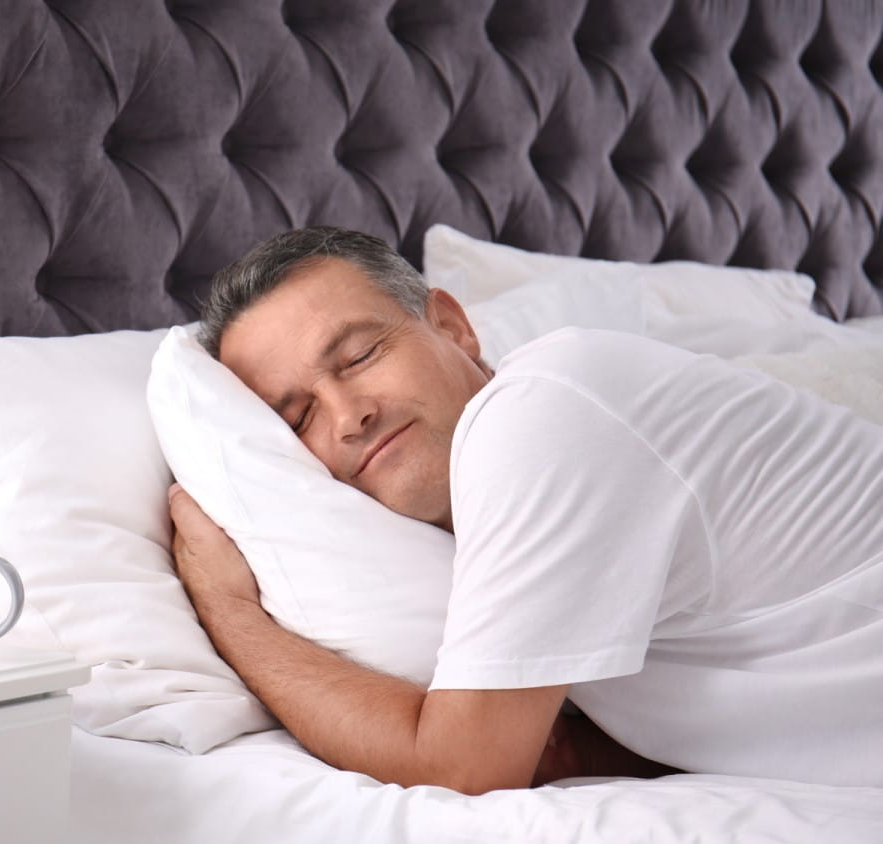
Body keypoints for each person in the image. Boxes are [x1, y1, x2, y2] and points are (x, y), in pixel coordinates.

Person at [169, 226, 883, 794]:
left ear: (452, 327)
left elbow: (463, 768)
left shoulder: (542, 410)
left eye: (358, 357)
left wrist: (229, 611)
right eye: (296, 419)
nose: (347, 415)